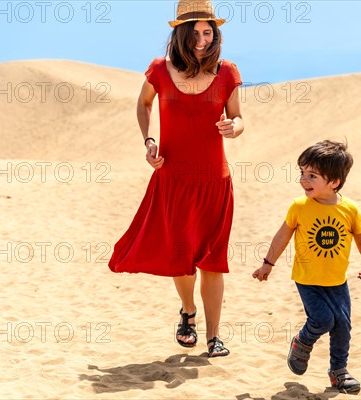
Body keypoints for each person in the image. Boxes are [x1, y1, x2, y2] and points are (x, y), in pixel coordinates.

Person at [108, 0, 243, 358]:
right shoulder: (159, 70)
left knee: (213, 261)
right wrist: (148, 140)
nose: (203, 39)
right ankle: (188, 313)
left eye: (208, 31)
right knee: (181, 258)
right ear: (181, 34)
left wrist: (234, 127)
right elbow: (143, 105)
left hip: (215, 182)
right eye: (196, 32)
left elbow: (239, 118)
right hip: (172, 181)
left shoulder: (227, 72)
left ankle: (214, 338)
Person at [252, 140, 361, 393]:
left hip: (337, 281)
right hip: (307, 279)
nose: (303, 180)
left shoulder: (349, 209)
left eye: (312, 175)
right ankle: (301, 343)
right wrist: (268, 263)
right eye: (302, 173)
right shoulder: (300, 207)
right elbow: (282, 236)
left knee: (342, 326)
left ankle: (338, 372)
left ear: (334, 182)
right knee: (322, 320)